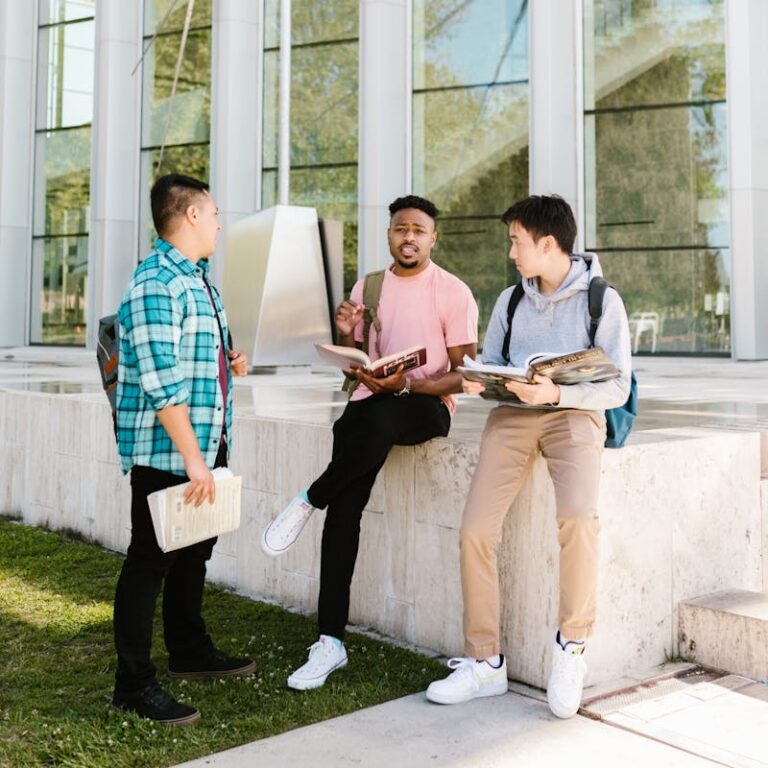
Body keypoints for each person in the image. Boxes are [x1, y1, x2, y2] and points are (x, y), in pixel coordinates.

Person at [260, 195, 479, 691]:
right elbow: (360, 355)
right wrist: (344, 332)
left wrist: (406, 385)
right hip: (372, 400)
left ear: (432, 238)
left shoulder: (453, 292)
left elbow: (465, 375)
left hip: (425, 405)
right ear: (389, 235)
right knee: (346, 507)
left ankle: (306, 498)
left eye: (419, 230)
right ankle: (329, 642)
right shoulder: (370, 285)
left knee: (377, 423)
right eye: (401, 228)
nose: (409, 236)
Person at [426, 195, 631, 718]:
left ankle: (572, 647)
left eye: (517, 241)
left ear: (548, 243)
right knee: (475, 529)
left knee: (580, 519)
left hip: (574, 415)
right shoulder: (510, 301)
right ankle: (485, 662)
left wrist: (557, 396)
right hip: (513, 416)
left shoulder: (602, 300)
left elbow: (617, 387)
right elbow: (491, 365)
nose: (512, 252)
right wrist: (481, 379)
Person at [112, 173, 254, 726]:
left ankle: (190, 653)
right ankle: (132, 684)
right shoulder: (155, 283)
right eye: (214, 212)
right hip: (168, 453)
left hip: (206, 443)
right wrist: (194, 458)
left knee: (194, 550)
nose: (219, 222)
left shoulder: (200, 282)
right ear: (190, 215)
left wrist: (229, 360)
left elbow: (193, 358)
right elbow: (158, 378)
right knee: (149, 563)